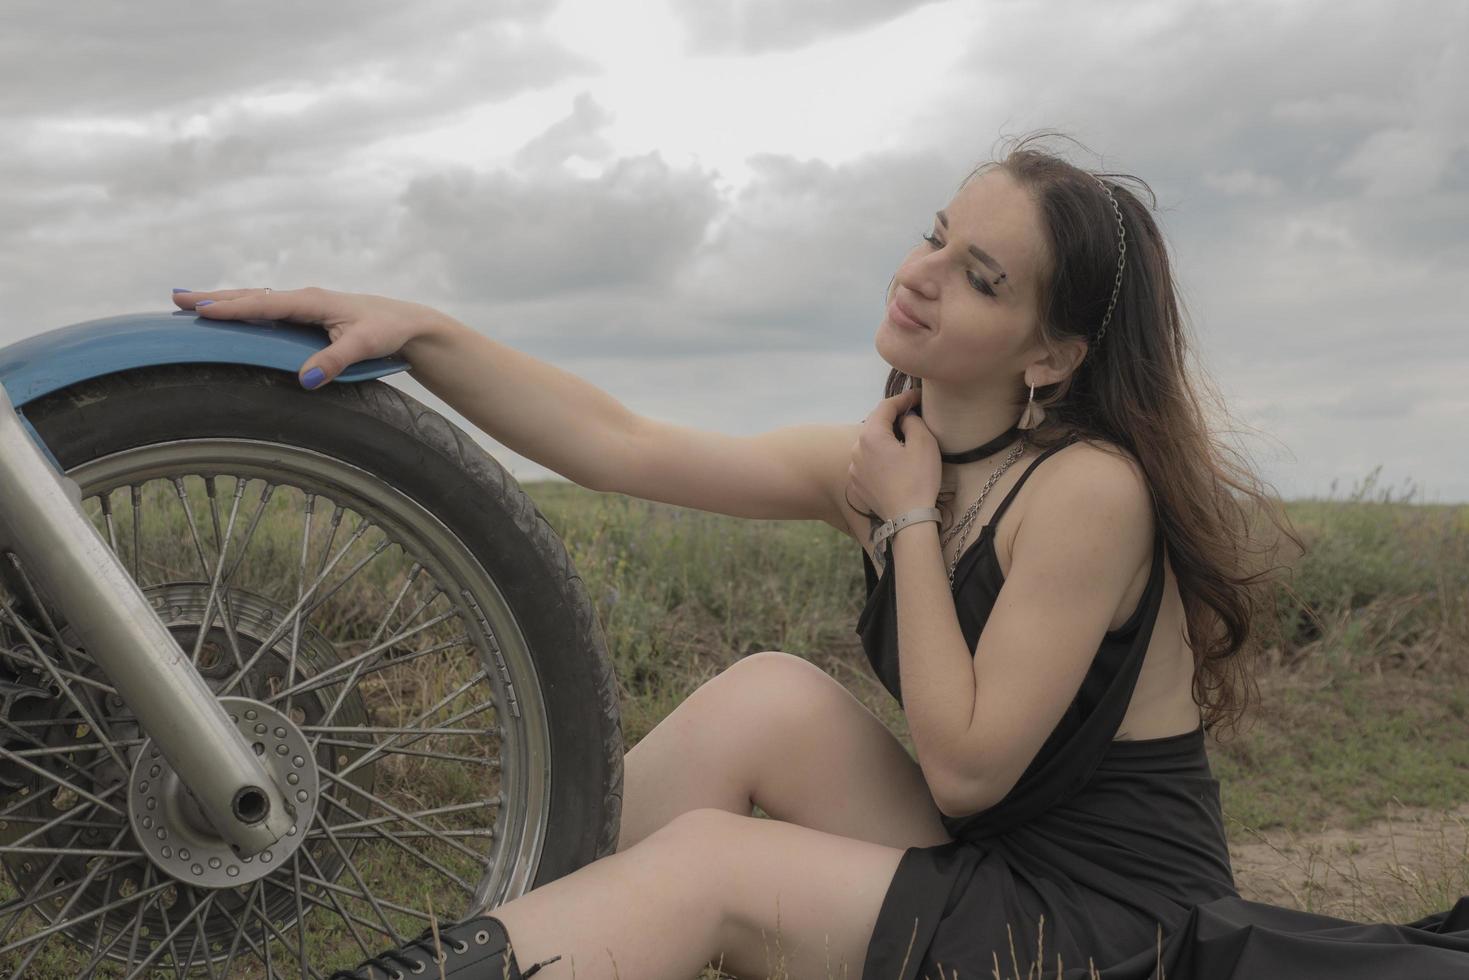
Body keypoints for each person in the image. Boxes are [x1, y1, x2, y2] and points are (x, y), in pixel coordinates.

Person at [172, 135, 1469, 980]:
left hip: (1110, 941)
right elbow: (620, 442)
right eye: (933, 234)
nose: (918, 277)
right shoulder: (897, 455)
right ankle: (507, 940)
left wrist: (906, 522)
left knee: (713, 873)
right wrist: (423, 332)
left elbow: (963, 771)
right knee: (765, 697)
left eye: (975, 275)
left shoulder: (1086, 490)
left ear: (1050, 354)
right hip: (1008, 877)